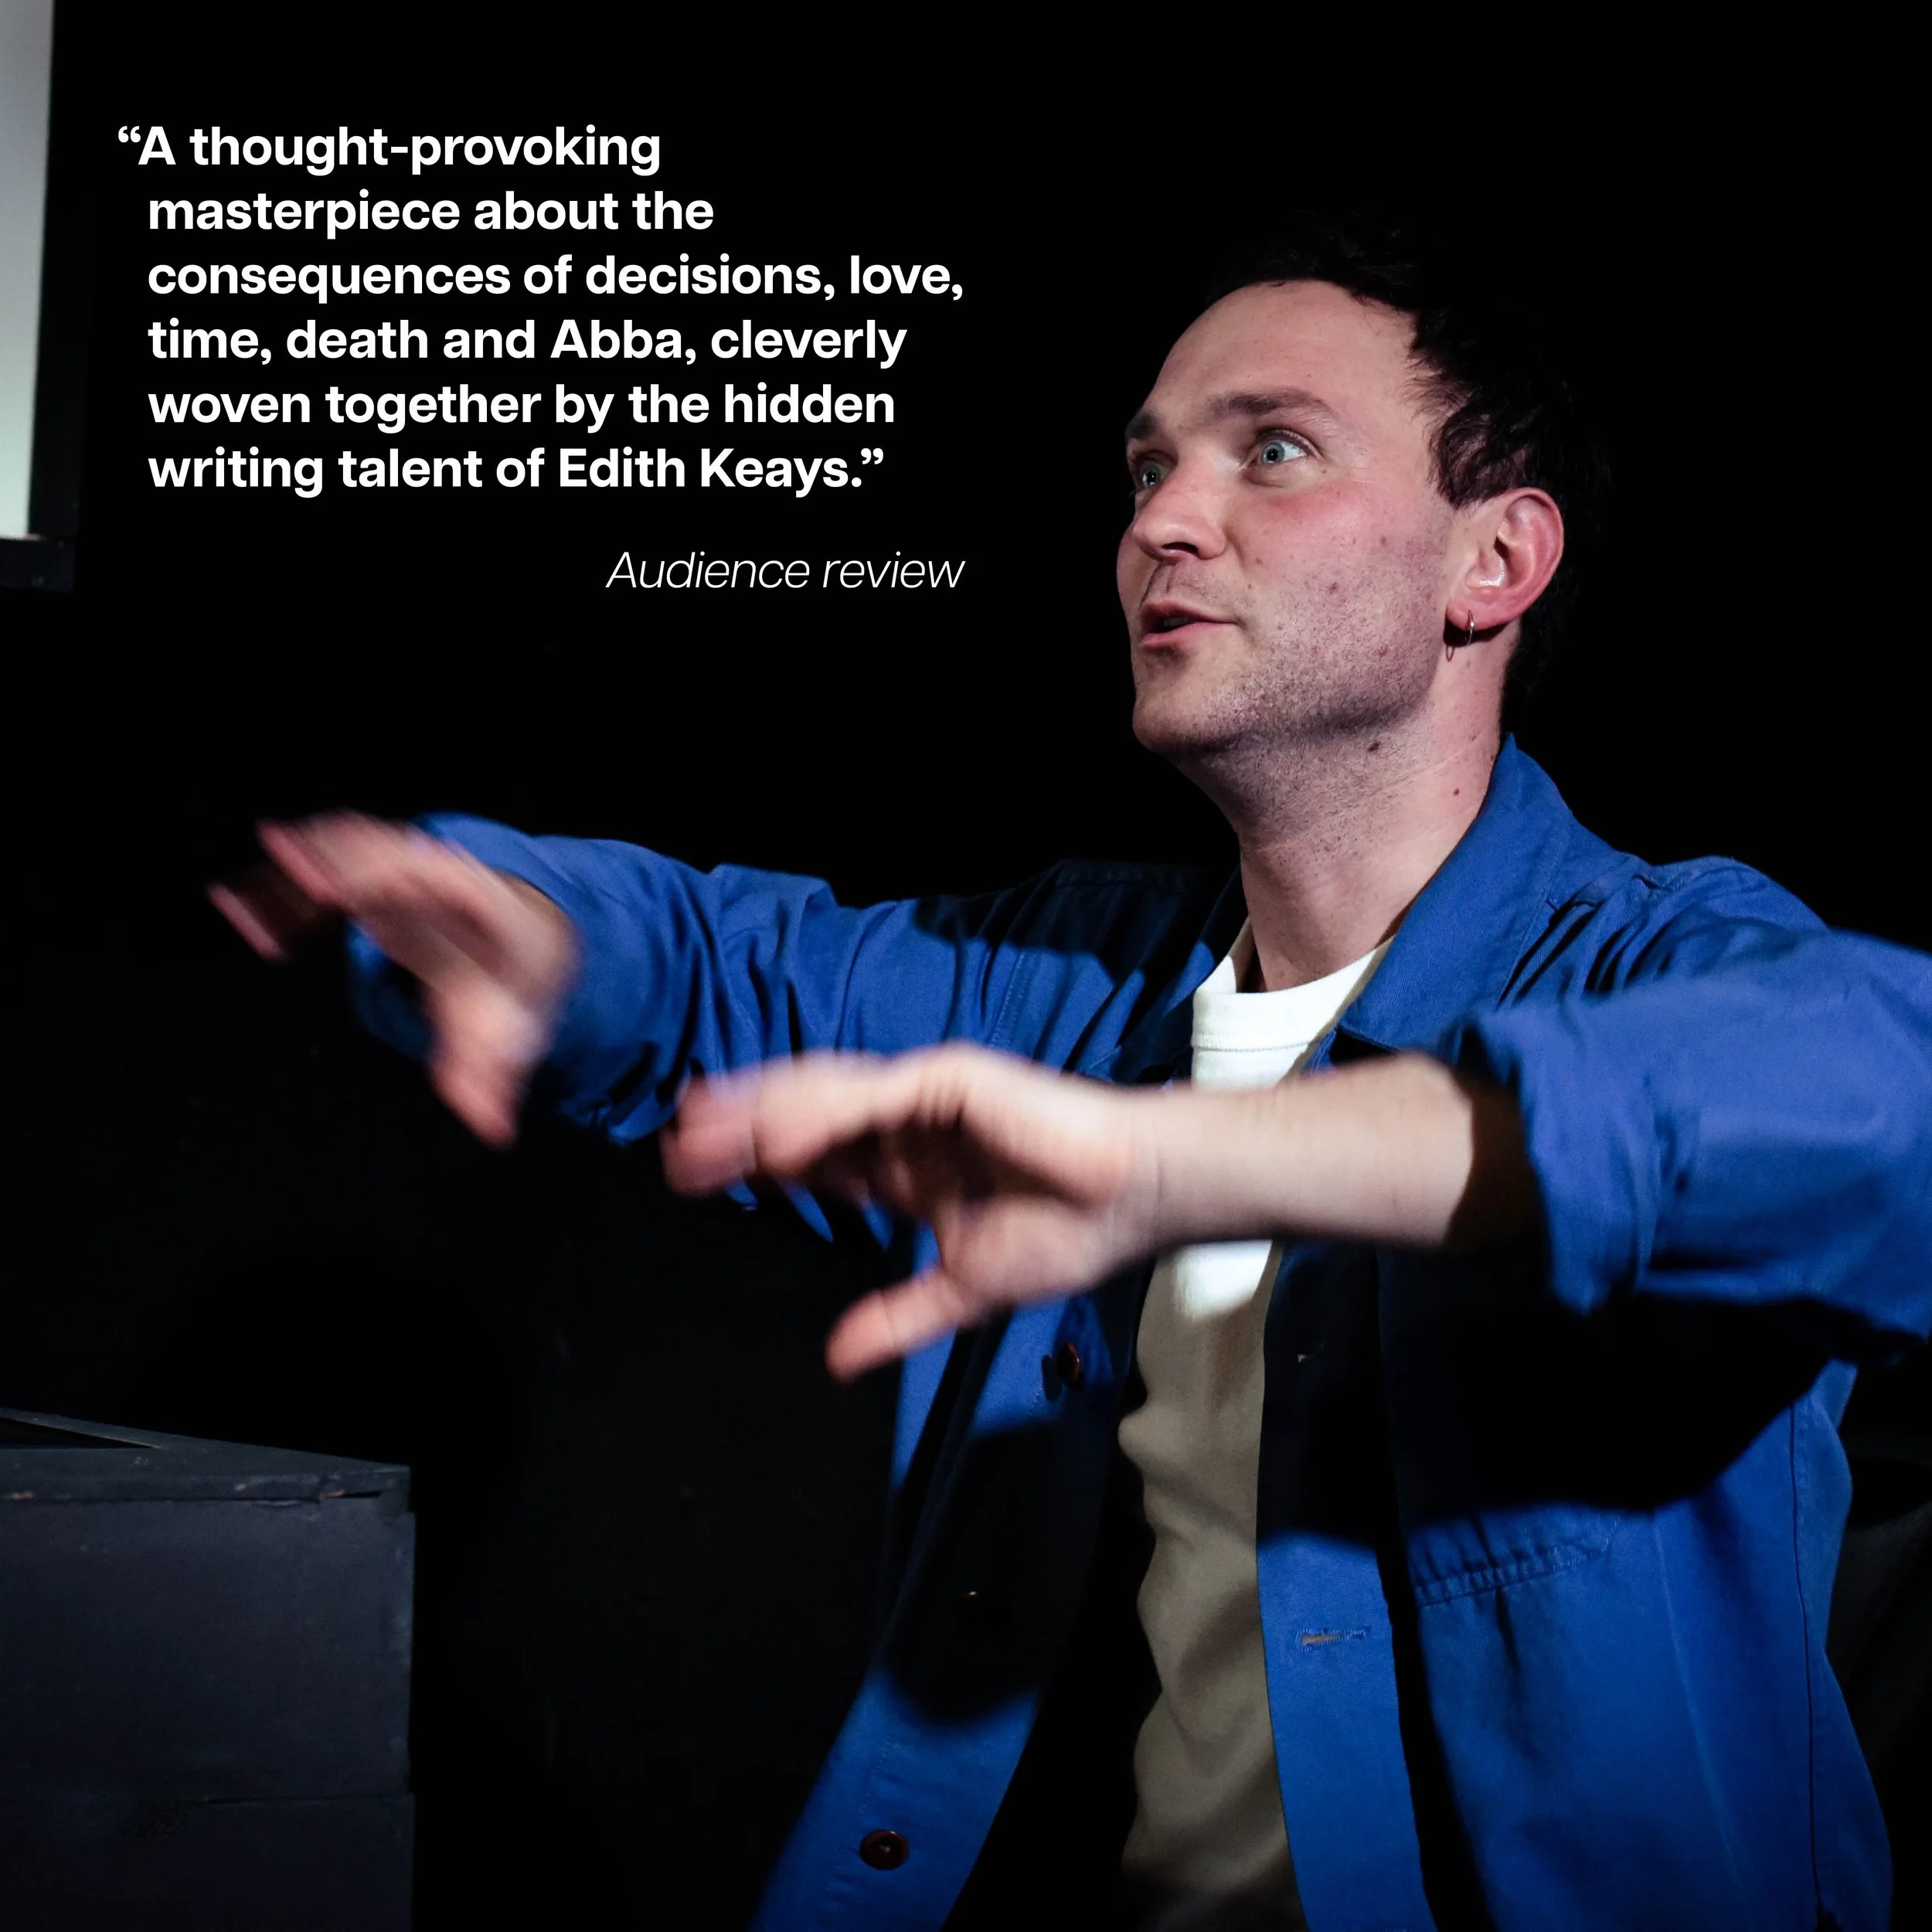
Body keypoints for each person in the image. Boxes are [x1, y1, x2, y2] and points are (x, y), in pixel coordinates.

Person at [215, 222, 1932, 1931]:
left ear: (1489, 561)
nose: (1160, 524)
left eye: (1272, 451)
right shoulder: (1066, 983)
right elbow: (720, 964)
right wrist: (538, 935)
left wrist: (1179, 1165)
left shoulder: (1658, 961)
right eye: (1145, 469)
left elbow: (1876, 1098)